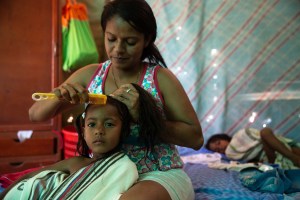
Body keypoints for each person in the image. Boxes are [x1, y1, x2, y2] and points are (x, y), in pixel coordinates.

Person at [28, 0, 203, 199]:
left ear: (146, 40)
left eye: (130, 42)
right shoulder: (90, 75)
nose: (118, 49)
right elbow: (35, 114)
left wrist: (145, 117)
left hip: (156, 174)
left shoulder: (161, 79)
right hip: (105, 172)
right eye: (111, 39)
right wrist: (61, 95)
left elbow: (195, 139)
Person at [2, 83, 167, 199]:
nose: (99, 130)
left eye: (109, 124)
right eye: (92, 124)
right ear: (83, 130)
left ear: (123, 131)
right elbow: (31, 177)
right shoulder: (75, 163)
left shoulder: (123, 167)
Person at [206, 127, 300, 169]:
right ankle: (293, 158)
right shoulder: (230, 154)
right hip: (269, 156)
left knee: (265, 132)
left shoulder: (240, 135)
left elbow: (255, 135)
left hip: (277, 146)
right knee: (264, 132)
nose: (220, 148)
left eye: (218, 143)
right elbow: (249, 163)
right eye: (217, 150)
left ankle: (292, 157)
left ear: (224, 138)